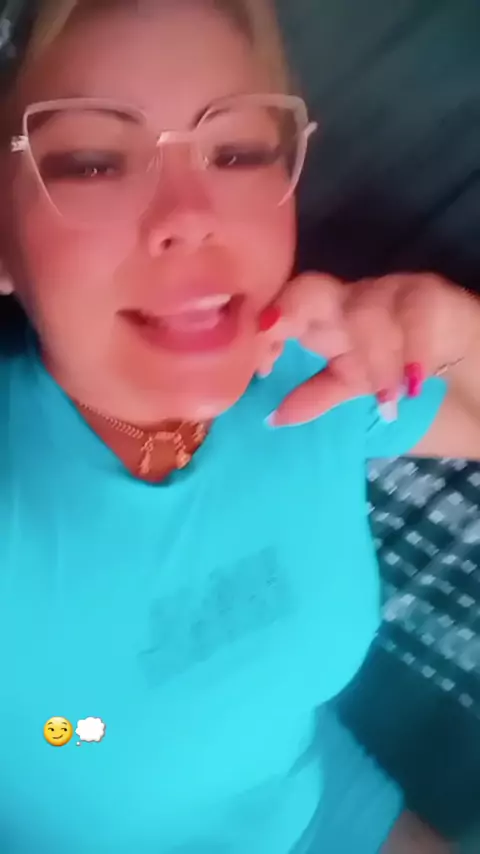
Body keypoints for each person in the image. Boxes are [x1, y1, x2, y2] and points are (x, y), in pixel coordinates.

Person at [0, 0, 478, 851]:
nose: (190, 213)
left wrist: (457, 336)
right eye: (93, 164)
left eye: (236, 152)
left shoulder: (310, 374)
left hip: (321, 813)